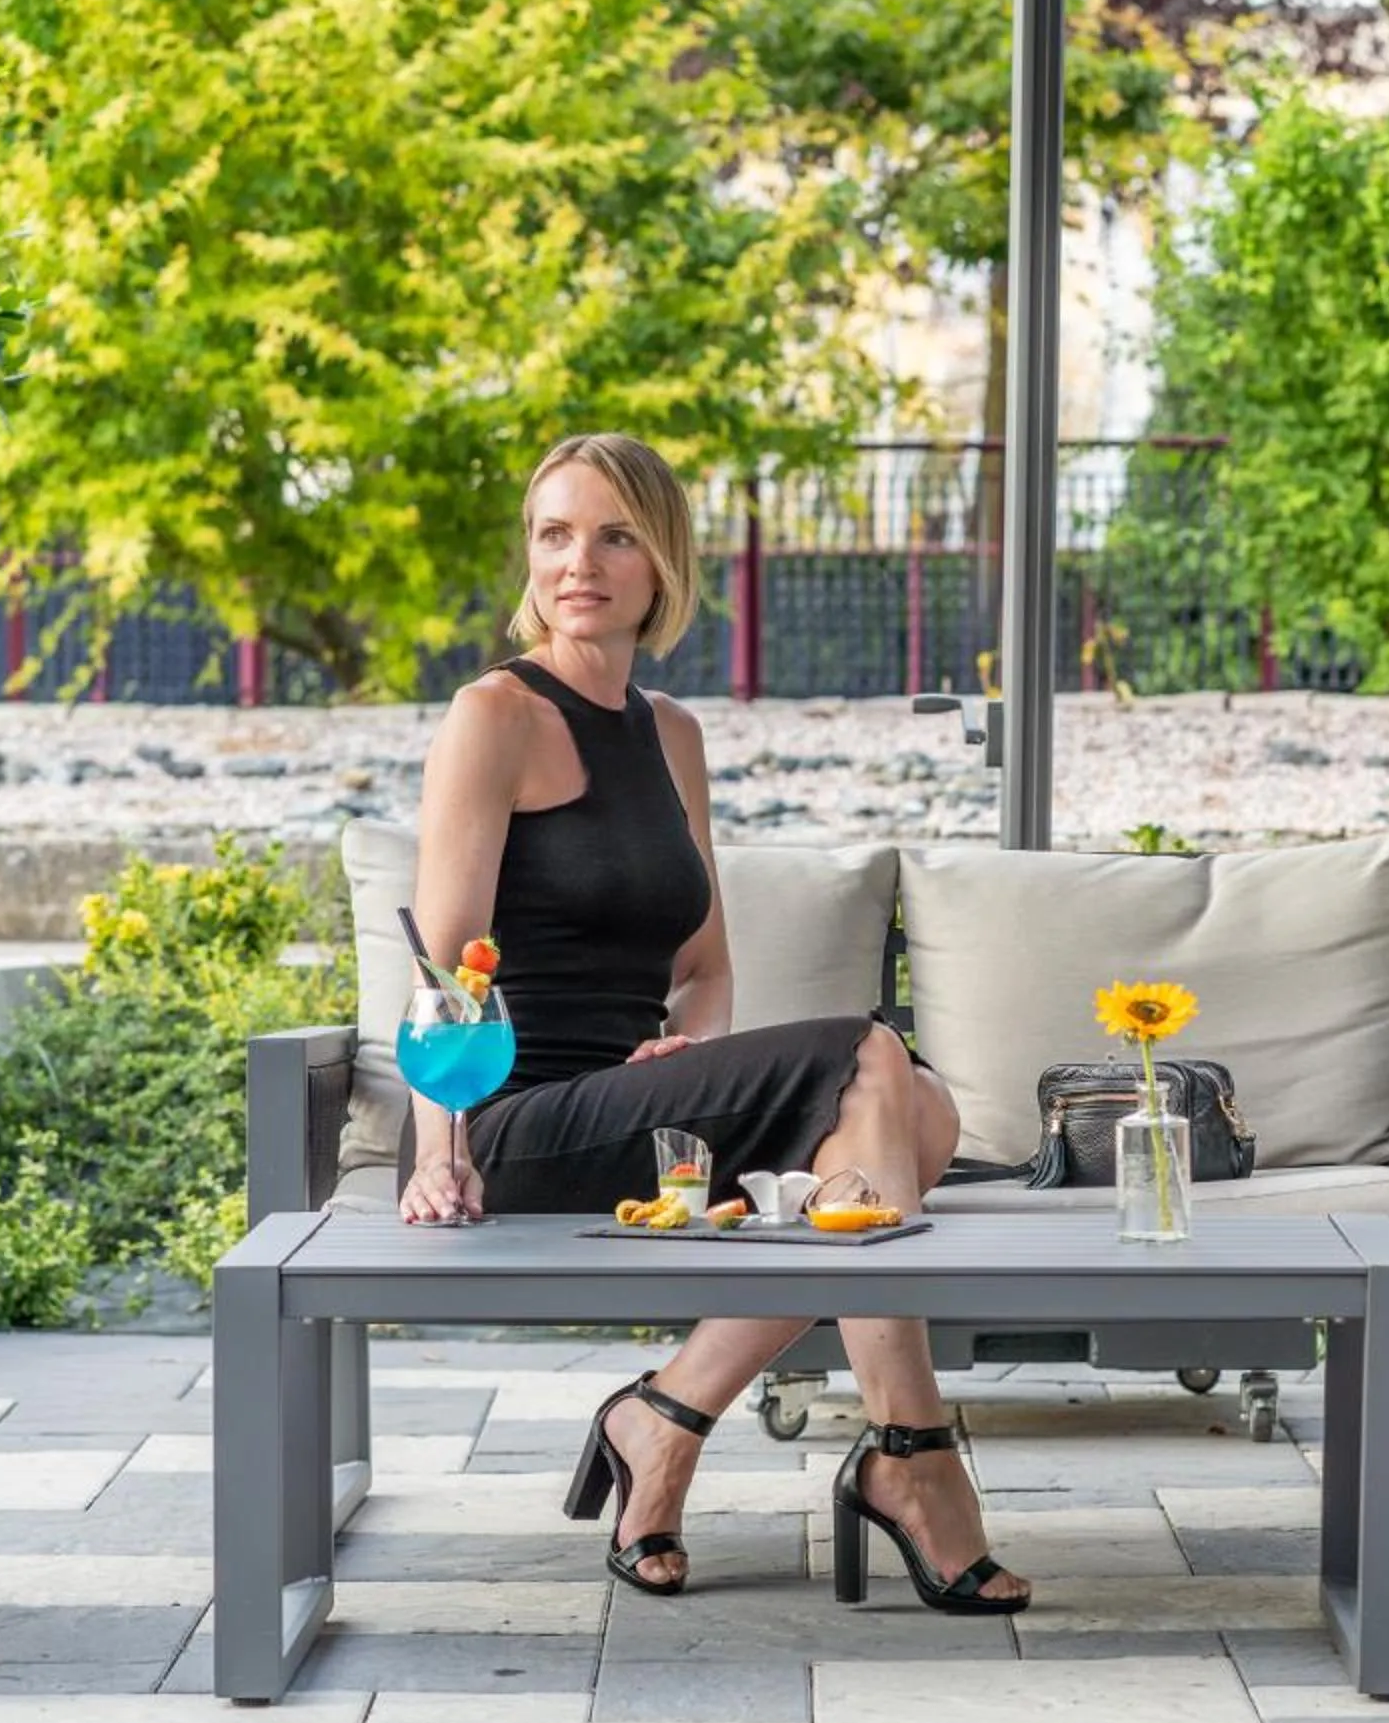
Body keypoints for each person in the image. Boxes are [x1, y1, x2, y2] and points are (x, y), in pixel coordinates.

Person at [400, 431, 1029, 1615]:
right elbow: (444, 971)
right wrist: (441, 1150)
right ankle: (912, 1453)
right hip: (511, 1117)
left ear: (661, 563)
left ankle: (669, 1412)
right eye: (554, 534)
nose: (579, 562)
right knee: (870, 1058)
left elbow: (703, 963)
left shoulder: (671, 731)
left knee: (920, 1111)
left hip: (639, 1110)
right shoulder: (495, 714)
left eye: (614, 536)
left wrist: (683, 1044)